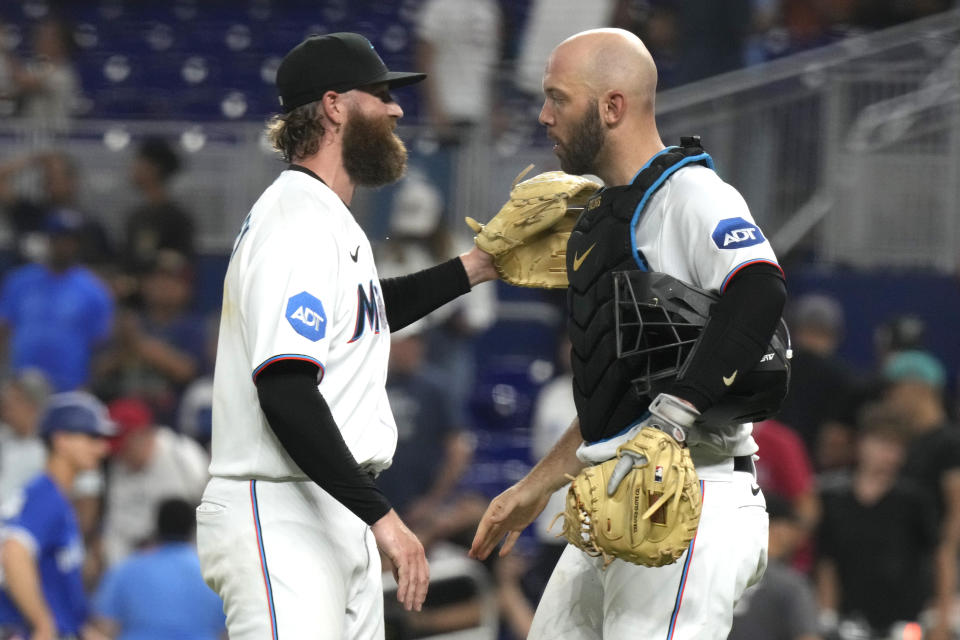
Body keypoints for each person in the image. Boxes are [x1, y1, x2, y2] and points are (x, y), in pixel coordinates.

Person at [469, 28, 786, 639]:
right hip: (616, 499)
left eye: (558, 98)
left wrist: (675, 413)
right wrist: (535, 487)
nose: (543, 115)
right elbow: (617, 394)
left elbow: (761, 288)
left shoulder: (691, 192)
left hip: (691, 498)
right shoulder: (609, 217)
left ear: (612, 107)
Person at [195, 32, 498, 639]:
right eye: (381, 95)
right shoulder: (297, 222)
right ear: (334, 106)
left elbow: (365, 312)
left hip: (331, 504)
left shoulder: (326, 218)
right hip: (280, 506)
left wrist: (479, 266)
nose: (397, 110)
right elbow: (285, 386)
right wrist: (382, 516)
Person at [0, 391, 114, 640]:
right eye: (91, 437)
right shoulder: (44, 495)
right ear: (61, 440)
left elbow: (59, 596)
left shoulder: (59, 499)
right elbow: (13, 552)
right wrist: (43, 624)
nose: (101, 447)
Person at [816, 405, 937, 637]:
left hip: (904, 621)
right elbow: (826, 562)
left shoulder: (914, 500)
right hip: (849, 621)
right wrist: (826, 616)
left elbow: (937, 556)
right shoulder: (834, 498)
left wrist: (939, 614)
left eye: (899, 448)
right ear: (862, 443)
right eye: (885, 445)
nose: (892, 455)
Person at [0, 208, 114, 391]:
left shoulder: (94, 290)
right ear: (48, 240)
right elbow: (4, 330)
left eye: (70, 240)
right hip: (21, 384)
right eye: (58, 239)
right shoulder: (20, 281)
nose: (64, 246)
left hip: (69, 384)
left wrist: (88, 384)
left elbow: (100, 345)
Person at [93, 498, 225, 640]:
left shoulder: (126, 569)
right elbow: (228, 629)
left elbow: (103, 625)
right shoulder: (213, 573)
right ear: (193, 527)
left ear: (157, 525)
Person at [101, 397, 208, 566]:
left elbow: (212, 515)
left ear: (144, 435)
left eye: (125, 446)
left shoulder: (182, 456)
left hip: (188, 556)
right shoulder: (119, 467)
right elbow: (116, 531)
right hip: (139, 561)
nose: (120, 455)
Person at [728, 496, 821, 640]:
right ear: (779, 530)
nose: (798, 537)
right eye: (792, 528)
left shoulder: (717, 574)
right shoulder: (791, 585)